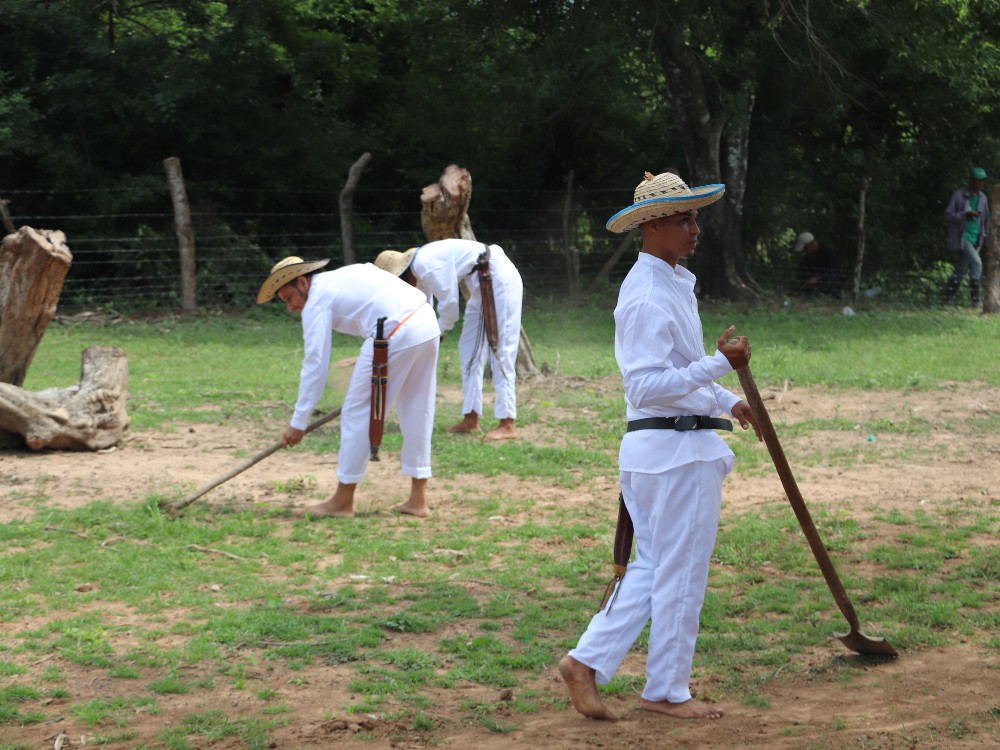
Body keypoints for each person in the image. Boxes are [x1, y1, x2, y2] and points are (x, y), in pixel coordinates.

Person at [558, 171, 761, 722]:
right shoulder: (647, 294)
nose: (695, 229)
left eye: (695, 217)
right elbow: (645, 386)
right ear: (651, 225)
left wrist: (726, 400)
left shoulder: (671, 281)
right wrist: (723, 365)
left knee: (653, 569)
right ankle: (667, 690)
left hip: (670, 451)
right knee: (681, 572)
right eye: (682, 219)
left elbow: (677, 371)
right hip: (674, 456)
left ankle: (585, 662)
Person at [257, 257, 440, 518]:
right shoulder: (341, 277)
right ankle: (417, 500)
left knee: (358, 412)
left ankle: (342, 502)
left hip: (393, 331)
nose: (290, 308)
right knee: (417, 407)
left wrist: (298, 422)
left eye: (288, 298)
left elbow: (315, 363)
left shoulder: (317, 299)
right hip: (426, 322)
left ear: (302, 282)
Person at [374, 239, 523, 441]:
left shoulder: (426, 265)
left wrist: (438, 332)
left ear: (401, 273)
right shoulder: (418, 273)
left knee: (501, 349)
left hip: (498, 277)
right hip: (481, 283)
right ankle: (471, 417)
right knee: (468, 350)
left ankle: (507, 422)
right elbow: (421, 309)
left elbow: (450, 307)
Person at [944, 167, 990, 306]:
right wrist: (965, 215)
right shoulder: (959, 195)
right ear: (971, 180)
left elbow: (986, 221)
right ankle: (976, 299)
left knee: (961, 268)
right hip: (963, 236)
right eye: (978, 180)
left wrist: (987, 243)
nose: (980, 183)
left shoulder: (983, 198)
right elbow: (948, 215)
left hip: (977, 238)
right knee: (976, 262)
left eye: (982, 181)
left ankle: (949, 296)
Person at [792, 232, 841, 296]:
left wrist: (818, 278)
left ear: (812, 244)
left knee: (830, 279)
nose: (804, 251)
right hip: (814, 282)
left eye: (805, 248)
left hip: (828, 281)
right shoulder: (808, 256)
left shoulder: (828, 251)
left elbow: (834, 269)